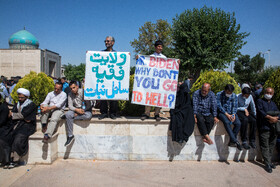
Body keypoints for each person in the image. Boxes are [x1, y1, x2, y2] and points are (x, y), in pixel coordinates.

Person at [7, 88, 37, 168]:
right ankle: (9, 158)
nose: (20, 99)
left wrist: (14, 115)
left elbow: (24, 115)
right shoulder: (17, 104)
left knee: (18, 139)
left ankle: (15, 160)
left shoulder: (31, 105)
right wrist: (19, 116)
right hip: (18, 124)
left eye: (22, 98)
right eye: (19, 97)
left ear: (26, 97)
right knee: (8, 137)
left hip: (28, 126)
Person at [141, 40, 166, 121]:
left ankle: (157, 114)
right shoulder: (150, 57)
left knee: (158, 97)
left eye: (161, 47)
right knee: (149, 97)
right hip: (151, 82)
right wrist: (139, 59)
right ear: (155, 47)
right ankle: (146, 113)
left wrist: (176, 62)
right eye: (159, 46)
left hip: (159, 82)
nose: (160, 48)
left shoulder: (164, 58)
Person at [256, 87, 279, 173]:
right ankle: (267, 164)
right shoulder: (260, 101)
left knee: (271, 145)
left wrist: (275, 118)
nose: (268, 95)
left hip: (273, 128)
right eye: (267, 93)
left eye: (270, 93)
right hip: (264, 127)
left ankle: (268, 161)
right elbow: (261, 112)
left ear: (272, 94)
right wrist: (269, 117)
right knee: (265, 145)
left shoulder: (273, 103)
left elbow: (277, 112)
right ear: (264, 92)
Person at [64, 81, 92, 147]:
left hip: (84, 110)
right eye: (71, 88)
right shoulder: (70, 94)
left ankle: (69, 118)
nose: (72, 89)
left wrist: (81, 112)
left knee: (88, 116)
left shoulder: (83, 92)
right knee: (68, 114)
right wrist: (76, 110)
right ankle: (70, 136)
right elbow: (70, 106)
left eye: (73, 88)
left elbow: (89, 105)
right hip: (75, 109)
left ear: (77, 86)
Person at [216, 84, 242, 150]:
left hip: (231, 112)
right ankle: (235, 140)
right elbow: (219, 106)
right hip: (222, 113)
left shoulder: (234, 96)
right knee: (226, 122)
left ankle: (232, 141)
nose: (229, 94)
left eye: (230, 92)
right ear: (225, 90)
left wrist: (233, 114)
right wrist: (227, 114)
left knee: (238, 123)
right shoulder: (219, 94)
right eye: (228, 92)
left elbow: (235, 106)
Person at [98, 36, 118, 120]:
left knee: (114, 97)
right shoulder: (101, 53)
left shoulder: (117, 54)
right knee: (103, 96)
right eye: (105, 41)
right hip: (104, 77)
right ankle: (104, 113)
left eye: (108, 41)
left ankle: (113, 113)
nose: (106, 43)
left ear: (113, 43)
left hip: (113, 78)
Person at [0, 94, 12, 168]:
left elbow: (2, 121)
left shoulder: (3, 107)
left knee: (3, 142)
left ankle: (5, 160)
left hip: (4, 129)